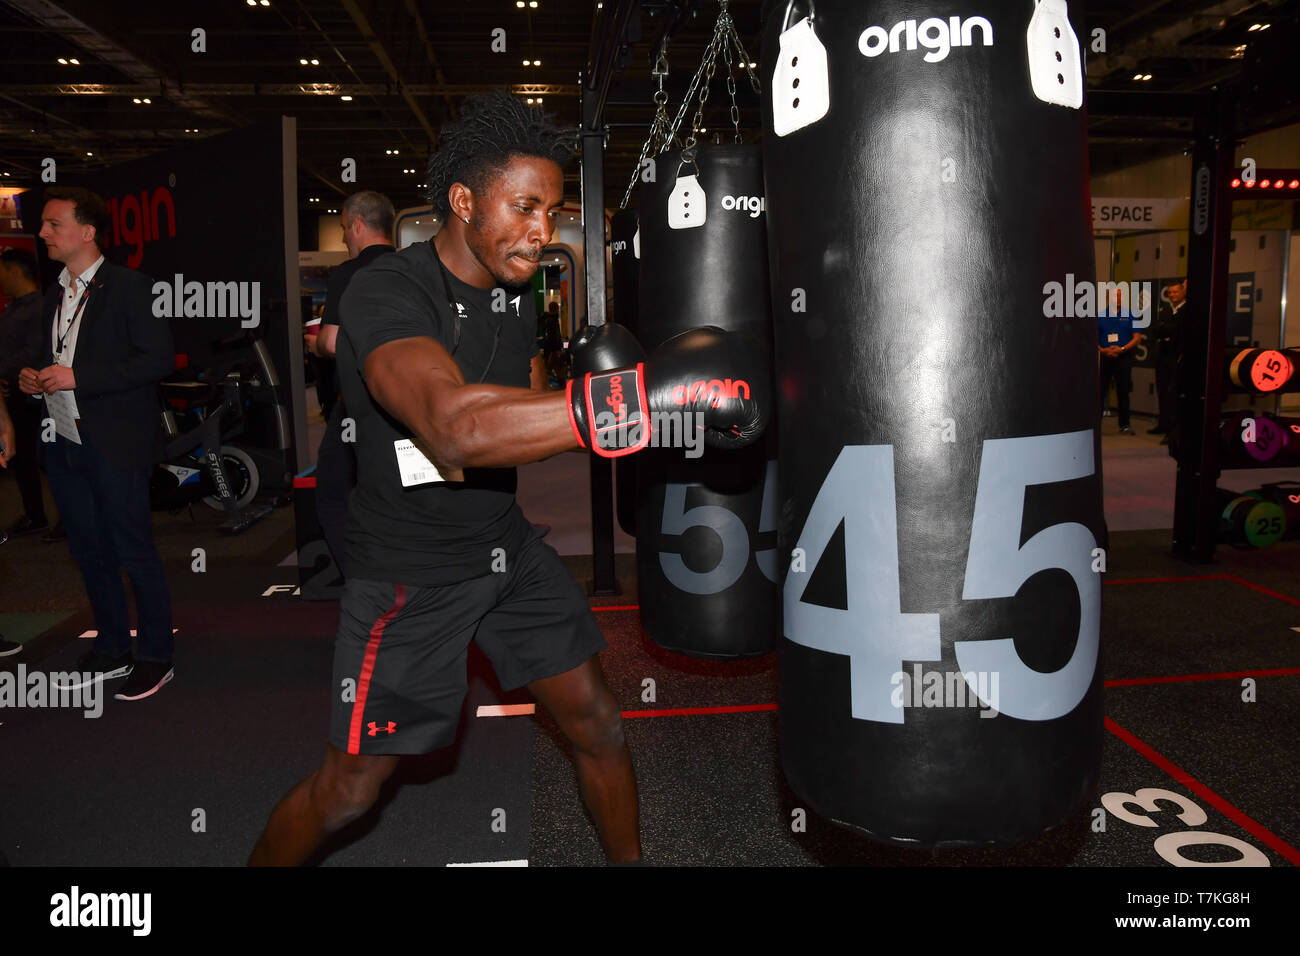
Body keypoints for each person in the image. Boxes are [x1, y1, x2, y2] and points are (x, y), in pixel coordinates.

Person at [248, 90, 766, 865]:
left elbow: (521, 421)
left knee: (598, 721)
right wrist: (641, 396)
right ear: (462, 201)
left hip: (505, 551)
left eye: (552, 212)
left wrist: (629, 417)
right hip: (410, 577)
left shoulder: (516, 292)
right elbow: (453, 427)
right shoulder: (388, 292)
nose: (542, 230)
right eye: (525, 206)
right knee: (352, 789)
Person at [17, 186, 176, 700]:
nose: (42, 233)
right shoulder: (53, 294)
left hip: (115, 442)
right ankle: (112, 645)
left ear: (86, 232)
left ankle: (156, 655)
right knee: (89, 550)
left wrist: (76, 377)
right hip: (64, 440)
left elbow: (156, 360)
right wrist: (36, 376)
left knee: (134, 550)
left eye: (52, 223)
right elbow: (55, 357)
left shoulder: (132, 287)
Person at [304, 191, 397, 575]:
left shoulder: (351, 272)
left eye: (344, 228)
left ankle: (365, 579)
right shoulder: (417, 267)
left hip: (359, 406)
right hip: (412, 402)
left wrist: (318, 345)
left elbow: (330, 340)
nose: (344, 237)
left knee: (332, 492)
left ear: (358, 224)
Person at [0, 247, 49, 537]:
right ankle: (35, 514)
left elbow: (35, 350)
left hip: (32, 396)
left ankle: (61, 518)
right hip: (12, 395)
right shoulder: (14, 308)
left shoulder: (40, 307)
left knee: (42, 459)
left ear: (15, 272)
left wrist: (3, 372)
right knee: (21, 459)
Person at [1098, 285, 1140, 434]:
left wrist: (1122, 349)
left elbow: (1137, 337)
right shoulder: (1100, 315)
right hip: (1105, 358)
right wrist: (1103, 350)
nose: (1118, 299)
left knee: (1123, 392)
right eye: (1115, 296)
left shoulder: (1131, 314)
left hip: (1124, 357)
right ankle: (1096, 425)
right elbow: (1093, 338)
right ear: (1109, 298)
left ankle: (1125, 425)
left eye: (1120, 296)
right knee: (1100, 392)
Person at [1149, 277, 1186, 446]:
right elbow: (1155, 329)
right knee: (1162, 392)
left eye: (1175, 291)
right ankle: (1163, 424)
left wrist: (1167, 331)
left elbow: (1178, 332)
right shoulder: (1165, 311)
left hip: (1176, 359)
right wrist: (1167, 331)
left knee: (1173, 396)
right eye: (1170, 292)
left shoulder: (1186, 311)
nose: (1172, 295)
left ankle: (1173, 431)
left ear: (1183, 292)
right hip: (1162, 359)